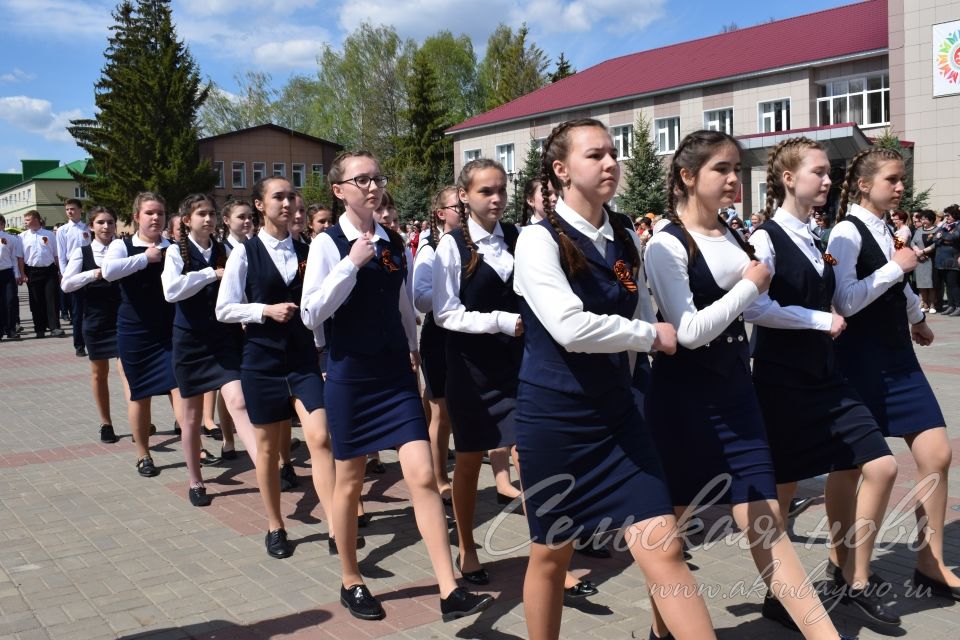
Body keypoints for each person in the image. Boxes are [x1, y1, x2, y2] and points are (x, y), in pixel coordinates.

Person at [644, 130, 855, 640]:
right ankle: (662, 630)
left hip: (738, 392)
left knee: (766, 525)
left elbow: (758, 303)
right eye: (722, 169)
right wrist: (748, 287)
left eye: (738, 169)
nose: (734, 179)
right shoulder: (666, 244)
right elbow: (689, 331)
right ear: (688, 177)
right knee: (668, 535)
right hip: (683, 400)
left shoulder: (738, 236)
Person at [513, 119, 714, 640]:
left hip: (619, 416)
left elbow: (642, 301)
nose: (609, 163)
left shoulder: (624, 231)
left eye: (612, 153)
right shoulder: (538, 241)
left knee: (666, 546)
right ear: (561, 170)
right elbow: (569, 327)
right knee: (552, 556)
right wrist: (649, 335)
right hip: (556, 420)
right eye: (594, 155)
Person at [301, 151, 493, 623]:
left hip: (394, 374)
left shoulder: (393, 241)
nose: (371, 186)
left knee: (424, 476)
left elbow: (406, 304)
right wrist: (350, 263)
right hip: (350, 375)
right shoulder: (329, 244)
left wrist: (413, 351)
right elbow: (311, 314)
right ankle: (351, 578)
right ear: (339, 190)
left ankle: (449, 589)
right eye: (360, 179)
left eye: (376, 178)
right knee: (348, 482)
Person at [749, 137, 900, 626]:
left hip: (827, 375)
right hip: (782, 379)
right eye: (818, 171)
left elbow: (836, 295)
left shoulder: (817, 235)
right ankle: (779, 592)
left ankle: (853, 578)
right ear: (789, 178)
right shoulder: (765, 238)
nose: (827, 179)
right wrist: (819, 320)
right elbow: (755, 306)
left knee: (881, 465)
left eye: (828, 173)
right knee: (783, 489)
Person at [828, 148, 958, 601]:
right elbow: (844, 301)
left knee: (937, 453)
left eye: (902, 179)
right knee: (849, 468)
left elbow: (897, 282)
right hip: (858, 358)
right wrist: (894, 268)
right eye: (893, 179)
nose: (901, 186)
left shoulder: (886, 227)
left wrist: (917, 316)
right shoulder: (845, 232)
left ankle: (930, 561)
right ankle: (842, 562)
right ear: (864, 184)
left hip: (898, 357)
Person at [215, 176, 336, 559]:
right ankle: (275, 524)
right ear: (259, 205)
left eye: (290, 196)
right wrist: (263, 310)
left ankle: (336, 522)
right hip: (262, 360)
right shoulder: (244, 253)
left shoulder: (310, 249)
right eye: (277, 197)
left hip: (302, 359)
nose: (286, 203)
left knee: (320, 437)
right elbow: (223, 309)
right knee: (267, 449)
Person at [162, 194, 248, 506]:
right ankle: (196, 480)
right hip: (190, 342)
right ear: (187, 220)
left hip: (224, 339)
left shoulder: (227, 250)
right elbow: (171, 291)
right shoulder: (175, 252)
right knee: (192, 417)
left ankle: (265, 463)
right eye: (201, 214)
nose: (208, 219)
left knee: (238, 401)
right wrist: (211, 274)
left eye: (212, 213)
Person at [102, 193, 183, 478]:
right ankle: (143, 454)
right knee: (140, 396)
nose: (156, 218)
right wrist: (143, 259)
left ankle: (193, 447)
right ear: (136, 216)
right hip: (134, 331)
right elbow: (108, 272)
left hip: (169, 331)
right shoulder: (121, 246)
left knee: (182, 390)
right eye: (149, 213)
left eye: (160, 213)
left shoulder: (172, 246)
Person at [61, 206, 127, 443]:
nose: (106, 227)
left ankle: (138, 418)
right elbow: (66, 284)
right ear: (91, 226)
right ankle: (106, 423)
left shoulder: (123, 249)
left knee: (127, 371)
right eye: (101, 222)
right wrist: (94, 274)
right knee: (99, 373)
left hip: (122, 318)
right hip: (95, 319)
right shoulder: (83, 252)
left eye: (110, 222)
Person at [412, 186, 460, 500]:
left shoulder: (474, 244)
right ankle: (439, 477)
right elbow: (420, 298)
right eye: (458, 206)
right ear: (441, 213)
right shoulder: (430, 248)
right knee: (442, 412)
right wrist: (454, 297)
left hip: (469, 335)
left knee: (451, 407)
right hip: (439, 336)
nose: (464, 211)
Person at [21, 210, 64, 338]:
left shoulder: (49, 234)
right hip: (32, 271)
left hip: (49, 270)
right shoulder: (22, 236)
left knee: (52, 299)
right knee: (36, 301)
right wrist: (22, 273)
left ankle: (54, 327)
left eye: (27, 220)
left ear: (36, 220)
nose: (26, 223)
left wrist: (60, 271)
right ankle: (39, 328)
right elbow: (21, 258)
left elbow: (56, 254)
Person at [57, 199, 92, 356]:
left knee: (91, 308)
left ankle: (93, 341)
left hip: (90, 265)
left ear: (80, 210)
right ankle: (79, 344)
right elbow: (62, 254)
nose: (70, 211)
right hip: (73, 267)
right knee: (77, 310)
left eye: (72, 209)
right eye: (67, 209)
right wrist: (65, 274)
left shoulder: (88, 227)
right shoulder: (63, 230)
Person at [932, 205, 959, 315]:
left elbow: (952, 237)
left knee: (954, 284)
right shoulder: (944, 226)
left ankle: (958, 305)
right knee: (948, 284)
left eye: (948, 215)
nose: (946, 217)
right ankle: (951, 306)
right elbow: (934, 238)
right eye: (945, 215)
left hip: (952, 259)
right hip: (942, 260)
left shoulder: (958, 226)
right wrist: (942, 238)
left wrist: (942, 237)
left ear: (955, 215)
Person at [0, 214, 23, 341]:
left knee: (10, 302)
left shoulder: (11, 239)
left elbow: (15, 258)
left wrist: (17, 275)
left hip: (7, 273)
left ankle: (11, 329)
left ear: (3, 224)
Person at [913, 210, 940, 311]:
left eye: (925, 219)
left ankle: (932, 304)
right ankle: (924, 304)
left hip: (931, 260)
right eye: (922, 219)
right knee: (921, 283)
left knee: (931, 283)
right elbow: (913, 242)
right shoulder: (919, 230)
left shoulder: (937, 230)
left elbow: (936, 243)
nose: (923, 221)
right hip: (920, 260)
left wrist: (923, 252)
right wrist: (917, 252)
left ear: (931, 220)